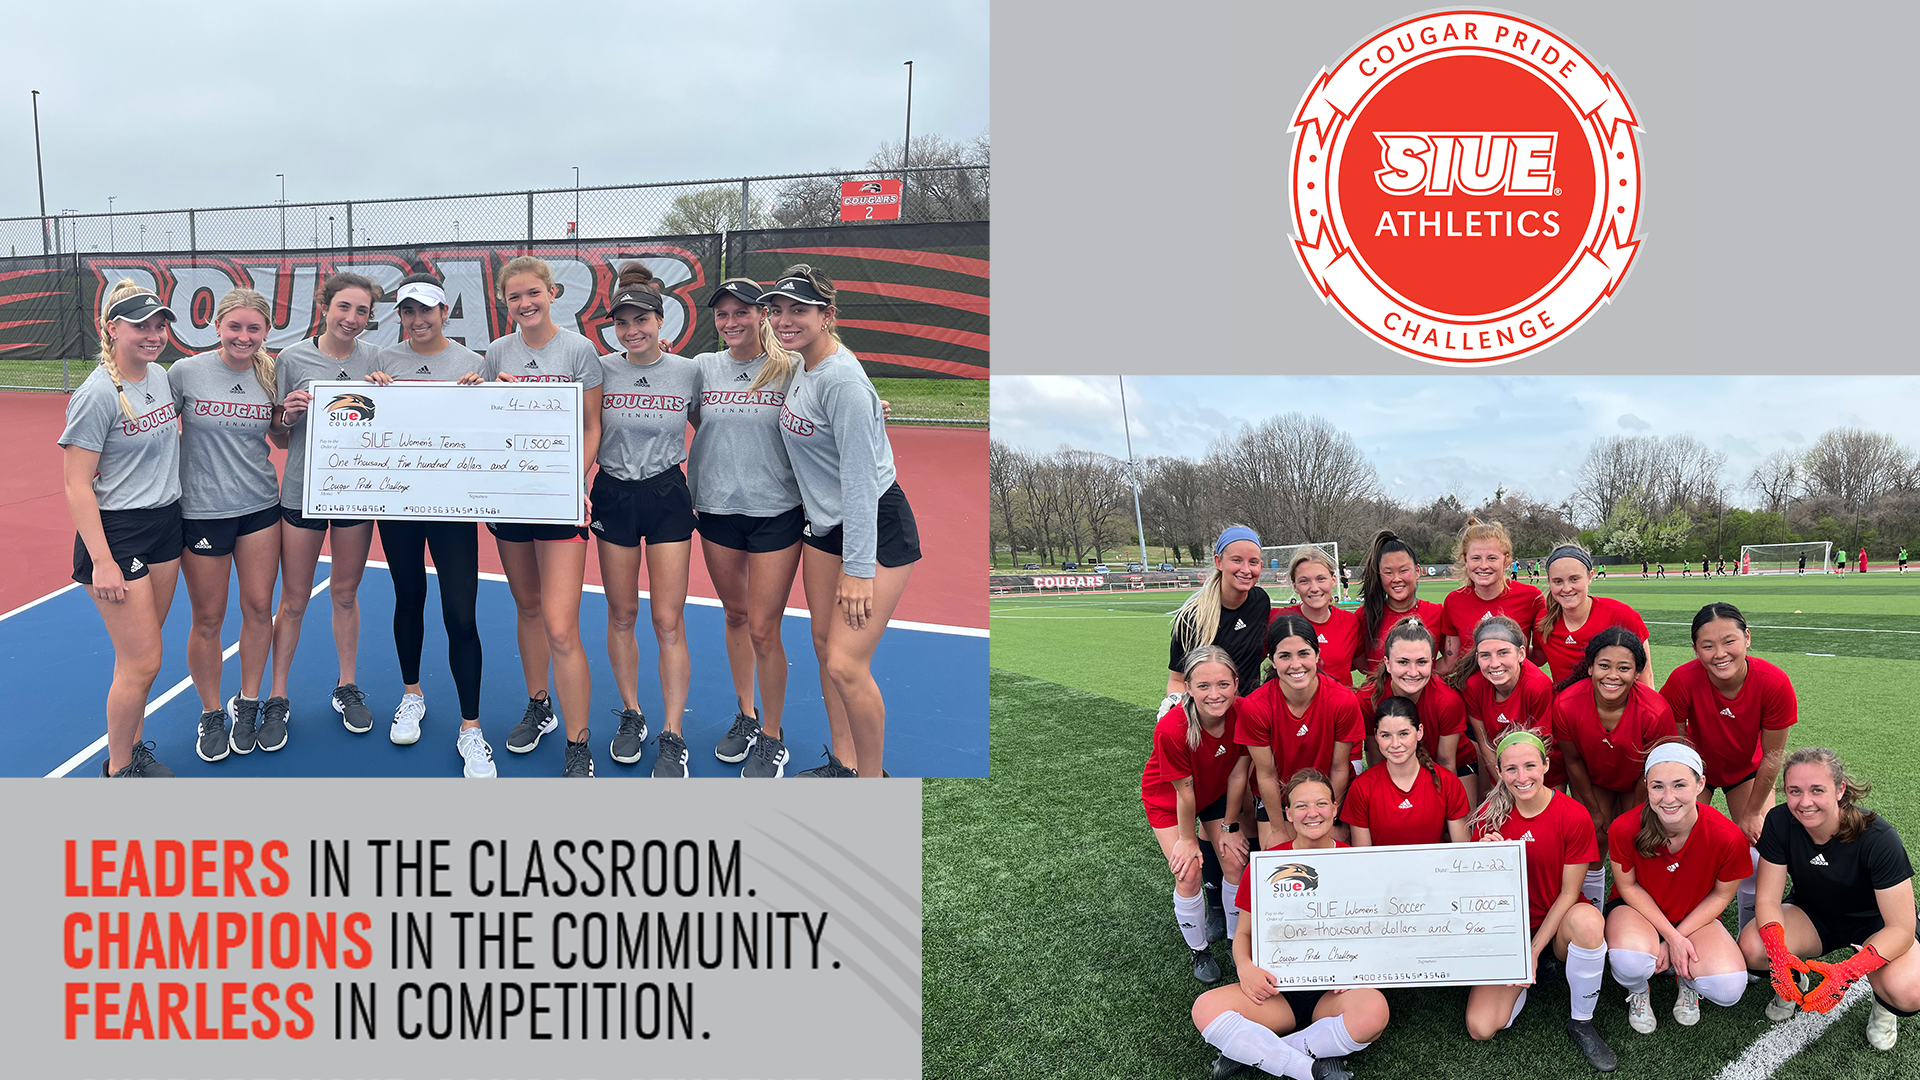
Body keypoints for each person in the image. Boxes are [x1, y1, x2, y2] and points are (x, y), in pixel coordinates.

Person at [769, 265, 921, 779]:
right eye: (778, 310)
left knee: (845, 664)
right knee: (820, 644)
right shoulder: (800, 365)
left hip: (873, 523)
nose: (785, 320)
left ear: (826, 315)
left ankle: (873, 784)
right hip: (825, 525)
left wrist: (859, 570)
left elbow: (860, 483)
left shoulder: (842, 380)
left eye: (799, 310)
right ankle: (844, 763)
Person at [367, 273, 494, 777]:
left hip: (453, 506)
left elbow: (487, 430)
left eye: (427, 310)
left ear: (445, 313)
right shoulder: (384, 362)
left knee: (461, 613)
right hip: (398, 503)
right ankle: (412, 694)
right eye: (408, 311)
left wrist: (482, 396)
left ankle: (471, 728)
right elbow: (364, 425)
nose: (418, 320)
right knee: (409, 597)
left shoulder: (472, 363)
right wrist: (372, 393)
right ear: (399, 316)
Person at [482, 256, 604, 777]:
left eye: (533, 293)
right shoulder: (496, 352)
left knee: (560, 626)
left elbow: (592, 427)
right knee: (527, 606)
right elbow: (487, 419)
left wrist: (572, 484)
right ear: (504, 303)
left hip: (558, 503)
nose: (525, 304)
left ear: (553, 293)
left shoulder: (579, 350)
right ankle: (540, 704)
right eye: (515, 297)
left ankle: (579, 743)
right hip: (512, 500)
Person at [60, 280, 184, 777]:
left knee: (141, 652)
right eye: (140, 326)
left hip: (165, 523)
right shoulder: (96, 394)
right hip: (120, 534)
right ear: (113, 329)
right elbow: (75, 484)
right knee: (145, 661)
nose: (153, 335)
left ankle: (132, 751)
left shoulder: (159, 376)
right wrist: (104, 562)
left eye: (159, 326)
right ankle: (118, 771)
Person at [1193, 771, 1384, 1080]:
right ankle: (1312, 1067)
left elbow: (1372, 932)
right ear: (1288, 814)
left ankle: (1256, 1051)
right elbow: (1243, 933)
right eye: (1301, 806)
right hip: (1277, 992)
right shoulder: (1267, 864)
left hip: (1333, 993)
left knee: (1374, 1012)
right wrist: (1245, 967)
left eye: (1321, 803)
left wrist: (1359, 969)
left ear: (1335, 808)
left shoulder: (1356, 862)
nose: (1312, 813)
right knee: (1205, 1009)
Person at [690, 279, 807, 777]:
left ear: (761, 314)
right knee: (735, 616)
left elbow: (830, 401)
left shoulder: (791, 368)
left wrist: (872, 409)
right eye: (722, 315)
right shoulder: (702, 368)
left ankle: (773, 736)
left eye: (742, 312)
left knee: (764, 627)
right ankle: (747, 714)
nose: (731, 322)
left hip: (776, 511)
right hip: (715, 509)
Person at [591, 263, 700, 777]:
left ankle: (672, 732)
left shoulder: (688, 373)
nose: (632, 330)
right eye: (622, 323)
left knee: (667, 619)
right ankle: (632, 713)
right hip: (613, 492)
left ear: (662, 321)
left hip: (666, 494)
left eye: (642, 320)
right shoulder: (601, 369)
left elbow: (723, 416)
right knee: (621, 614)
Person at [266, 273, 384, 747]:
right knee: (293, 599)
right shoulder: (292, 358)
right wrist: (287, 416)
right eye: (344, 308)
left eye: (361, 312)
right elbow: (276, 434)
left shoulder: (376, 359)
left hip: (355, 493)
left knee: (345, 592)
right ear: (324, 305)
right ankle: (277, 696)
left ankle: (346, 686)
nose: (352, 319)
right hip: (302, 493)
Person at [1739, 748, 1920, 1050]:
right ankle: (1793, 981)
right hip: (1814, 915)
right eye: (1795, 791)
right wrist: (1777, 952)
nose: (1804, 802)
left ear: (1840, 790)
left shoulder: (1878, 837)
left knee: (1908, 989)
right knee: (1753, 946)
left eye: (1817, 790)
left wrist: (1846, 972)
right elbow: (1768, 900)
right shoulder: (1780, 821)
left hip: (1876, 924)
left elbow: (1901, 928)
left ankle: (1884, 1008)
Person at [172, 288, 283, 760]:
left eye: (253, 328)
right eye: (234, 327)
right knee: (209, 618)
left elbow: (277, 433)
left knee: (260, 607)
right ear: (217, 327)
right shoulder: (186, 372)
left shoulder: (272, 372)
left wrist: (287, 418)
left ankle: (250, 701)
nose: (243, 336)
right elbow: (155, 426)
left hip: (259, 506)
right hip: (201, 511)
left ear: (265, 332)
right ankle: (212, 711)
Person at [1464, 731, 1615, 1071]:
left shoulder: (1572, 814)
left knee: (1589, 922)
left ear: (1546, 765)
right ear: (1499, 772)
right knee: (1481, 1027)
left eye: (1530, 765)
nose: (1522, 777)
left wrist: (1533, 950)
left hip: (1558, 924)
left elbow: (1567, 893)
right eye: (1511, 769)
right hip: (1510, 928)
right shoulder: (1490, 815)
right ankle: (1527, 980)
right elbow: (1477, 895)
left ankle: (1582, 1020)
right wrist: (1486, 861)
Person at [1660, 602, 1797, 930]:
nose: (1719, 653)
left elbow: (1772, 756)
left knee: (1762, 843)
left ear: (1747, 638)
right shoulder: (1682, 680)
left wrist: (1751, 813)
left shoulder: (1773, 682)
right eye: (1707, 646)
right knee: (1676, 838)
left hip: (1746, 772)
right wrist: (1686, 792)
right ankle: (1680, 927)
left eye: (1729, 641)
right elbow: (1676, 750)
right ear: (1695, 649)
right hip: (1695, 769)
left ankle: (1754, 932)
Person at [1605, 740, 1750, 1034]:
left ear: (1701, 784)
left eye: (1679, 785)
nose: (1668, 797)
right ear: (1646, 785)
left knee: (1728, 988)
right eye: (1657, 786)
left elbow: (1722, 894)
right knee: (1630, 962)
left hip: (1694, 916)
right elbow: (1628, 888)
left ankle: (1687, 979)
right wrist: (1672, 937)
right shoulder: (1623, 828)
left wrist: (1675, 939)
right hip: (1637, 912)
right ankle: (1639, 989)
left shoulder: (1728, 836)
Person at [1145, 646, 1251, 983]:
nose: (1214, 694)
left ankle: (1239, 945)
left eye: (1223, 684)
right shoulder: (1172, 729)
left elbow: (1238, 774)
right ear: (1187, 687)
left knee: (1234, 859)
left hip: (1215, 790)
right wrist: (1188, 840)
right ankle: (1199, 951)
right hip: (1169, 799)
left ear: (1236, 683)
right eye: (1203, 686)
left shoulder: (1246, 712)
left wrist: (1231, 825)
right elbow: (1183, 792)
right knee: (1188, 871)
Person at [1552, 627, 1678, 906]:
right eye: (1604, 665)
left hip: (1640, 781)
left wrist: (1633, 816)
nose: (1612, 675)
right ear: (1589, 668)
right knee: (1594, 836)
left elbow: (1654, 771)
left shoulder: (1655, 711)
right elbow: (1572, 760)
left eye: (1624, 668)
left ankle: (1638, 905)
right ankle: (1592, 908)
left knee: (1640, 838)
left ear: (1636, 674)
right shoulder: (1566, 704)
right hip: (1596, 780)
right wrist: (1594, 811)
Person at [1236, 615, 1361, 848]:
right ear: (1272, 661)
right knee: (1279, 858)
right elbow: (1266, 775)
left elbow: (1339, 767)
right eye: (1285, 656)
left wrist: (1330, 817)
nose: (1296, 664)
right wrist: (1277, 827)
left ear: (1317, 655)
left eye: (1304, 653)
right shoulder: (1256, 706)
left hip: (1328, 798)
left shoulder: (1342, 700)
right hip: (1279, 800)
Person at [1454, 616, 1559, 808]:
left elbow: (1539, 748)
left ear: (1521, 654)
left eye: (1503, 653)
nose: (1494, 664)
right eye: (1485, 655)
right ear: (1477, 657)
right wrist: (1505, 786)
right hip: (1502, 770)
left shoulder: (1537, 686)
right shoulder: (1473, 686)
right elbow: (1484, 743)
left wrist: (1521, 787)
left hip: (1542, 770)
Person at [1342, 696, 1470, 847]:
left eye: (1404, 734)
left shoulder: (1446, 781)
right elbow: (1363, 857)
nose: (1395, 744)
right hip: (1382, 870)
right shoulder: (1362, 787)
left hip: (1434, 868)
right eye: (1386, 735)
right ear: (1376, 735)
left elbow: (1463, 851)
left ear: (1419, 732)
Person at [1361, 618, 1468, 789]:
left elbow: (1447, 763)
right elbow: (1377, 759)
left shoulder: (1447, 700)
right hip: (1399, 767)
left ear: (1432, 662)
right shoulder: (1368, 699)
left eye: (1421, 662)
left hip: (1456, 765)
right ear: (1388, 663)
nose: (1412, 672)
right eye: (1403, 662)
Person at [1170, 526, 1272, 704]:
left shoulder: (1260, 601)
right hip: (1209, 718)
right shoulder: (1191, 618)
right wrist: (1174, 703)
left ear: (1261, 566)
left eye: (1253, 562)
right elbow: (1177, 679)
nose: (1246, 569)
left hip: (1248, 714)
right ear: (1219, 562)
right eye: (1237, 560)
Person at [1438, 517, 1547, 675]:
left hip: (1513, 693)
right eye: (1476, 558)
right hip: (1470, 694)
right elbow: (1451, 661)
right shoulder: (1453, 601)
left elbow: (1540, 655)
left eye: (1492, 558)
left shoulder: (1531, 597)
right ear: (1465, 560)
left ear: (1506, 560)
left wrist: (1506, 658)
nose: (1483, 565)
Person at [1531, 542, 1647, 685]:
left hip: (1612, 706)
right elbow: (1538, 658)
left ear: (1590, 577)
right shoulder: (1543, 620)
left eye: (1574, 579)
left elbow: (1645, 677)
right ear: (1549, 581)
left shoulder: (1621, 615)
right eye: (1558, 581)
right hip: (1564, 706)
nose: (1566, 588)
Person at [1356, 529, 1443, 682]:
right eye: (1388, 573)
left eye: (1403, 571)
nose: (1396, 579)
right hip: (1380, 702)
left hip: (1423, 701)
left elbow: (1451, 660)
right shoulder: (1365, 615)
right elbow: (1363, 666)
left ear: (1417, 571)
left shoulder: (1438, 613)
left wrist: (1422, 675)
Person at [1271, 548, 1361, 687]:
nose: (1314, 588)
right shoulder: (1279, 618)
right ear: (1295, 586)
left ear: (1333, 580)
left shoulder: (1350, 622)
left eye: (1321, 579)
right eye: (1304, 581)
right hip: (1295, 707)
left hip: (1339, 706)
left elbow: (1363, 666)